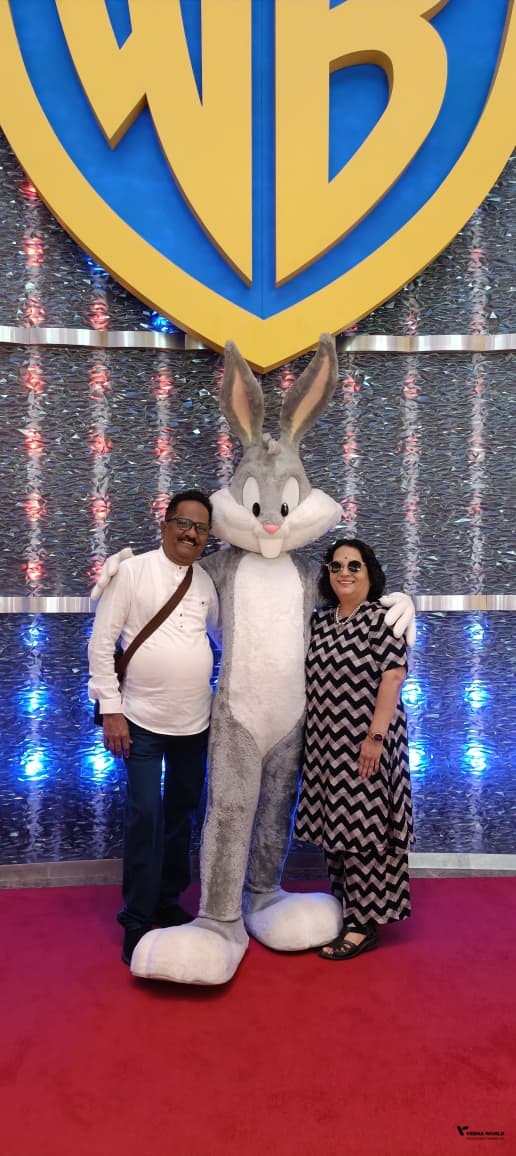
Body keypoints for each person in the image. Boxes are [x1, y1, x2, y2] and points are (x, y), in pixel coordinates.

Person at [88, 489, 219, 965]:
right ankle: (137, 919)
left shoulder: (205, 582)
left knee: (182, 812)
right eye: (184, 523)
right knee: (145, 815)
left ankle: (167, 899)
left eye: (201, 528)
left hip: (195, 723)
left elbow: (222, 636)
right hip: (139, 721)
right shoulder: (133, 572)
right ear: (164, 525)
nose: (191, 533)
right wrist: (112, 709)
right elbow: (101, 643)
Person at [294, 537, 413, 961]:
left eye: (354, 565)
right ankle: (348, 910)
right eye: (337, 565)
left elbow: (393, 677)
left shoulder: (382, 619)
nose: (344, 572)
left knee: (364, 830)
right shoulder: (322, 622)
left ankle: (364, 925)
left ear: (369, 573)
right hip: (325, 745)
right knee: (336, 831)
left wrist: (375, 738)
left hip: (367, 742)